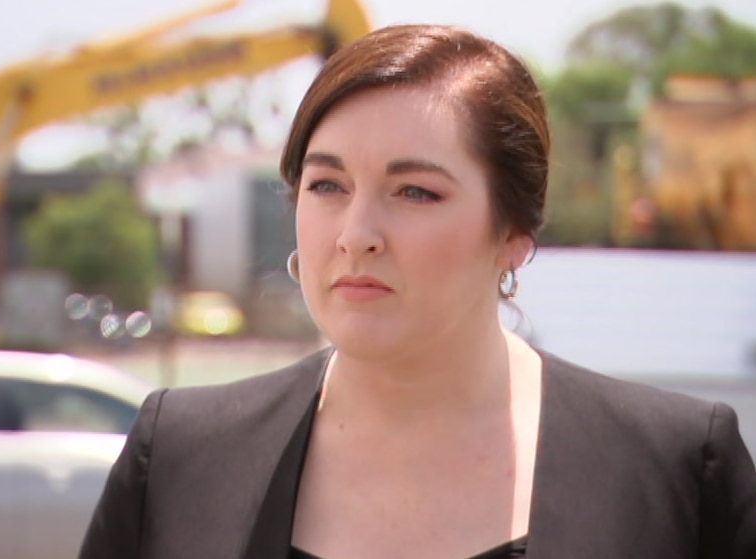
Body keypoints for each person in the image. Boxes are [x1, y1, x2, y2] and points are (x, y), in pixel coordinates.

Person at [78, 24, 756, 559]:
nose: (356, 233)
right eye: (326, 186)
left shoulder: (674, 467)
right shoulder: (180, 455)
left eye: (414, 191)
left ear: (514, 230)